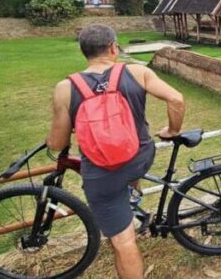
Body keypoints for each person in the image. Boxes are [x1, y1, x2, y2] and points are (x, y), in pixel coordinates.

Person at [47, 24, 185, 279]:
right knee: (129, 171)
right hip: (140, 158)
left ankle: (127, 214)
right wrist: (173, 131)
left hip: (102, 172)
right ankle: (132, 198)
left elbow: (57, 143)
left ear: (84, 52)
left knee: (122, 242)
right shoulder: (137, 72)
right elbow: (176, 99)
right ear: (113, 47)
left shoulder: (65, 88)